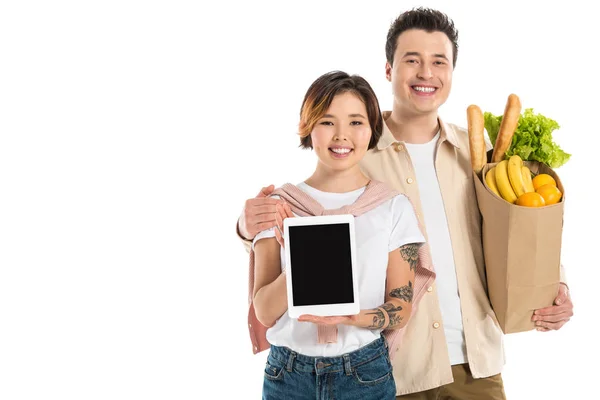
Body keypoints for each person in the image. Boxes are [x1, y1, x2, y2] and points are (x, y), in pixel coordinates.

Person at [238, 7, 574, 400]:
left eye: (438, 62)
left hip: (477, 358)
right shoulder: (354, 150)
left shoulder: (478, 152)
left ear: (452, 71)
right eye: (411, 60)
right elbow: (306, 222)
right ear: (388, 69)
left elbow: (515, 230)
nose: (425, 73)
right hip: (397, 370)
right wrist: (247, 228)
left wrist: (555, 283)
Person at [249, 70, 429, 399]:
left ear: (372, 129)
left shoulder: (392, 208)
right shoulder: (279, 206)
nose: (341, 136)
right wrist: (304, 266)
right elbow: (263, 310)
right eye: (328, 121)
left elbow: (400, 308)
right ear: (309, 127)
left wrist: (355, 317)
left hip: (364, 373)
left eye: (356, 122)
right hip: (288, 375)